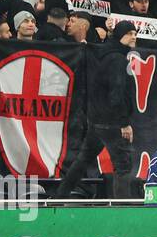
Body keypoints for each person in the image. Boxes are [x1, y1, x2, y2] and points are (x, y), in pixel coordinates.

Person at [53, 21, 137, 199]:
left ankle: (59, 196)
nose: (134, 36)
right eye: (129, 33)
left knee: (83, 161)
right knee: (123, 166)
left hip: (96, 120)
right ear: (120, 35)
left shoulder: (101, 55)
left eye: (135, 33)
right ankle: (124, 209)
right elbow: (117, 94)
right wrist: (124, 123)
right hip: (112, 124)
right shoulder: (117, 59)